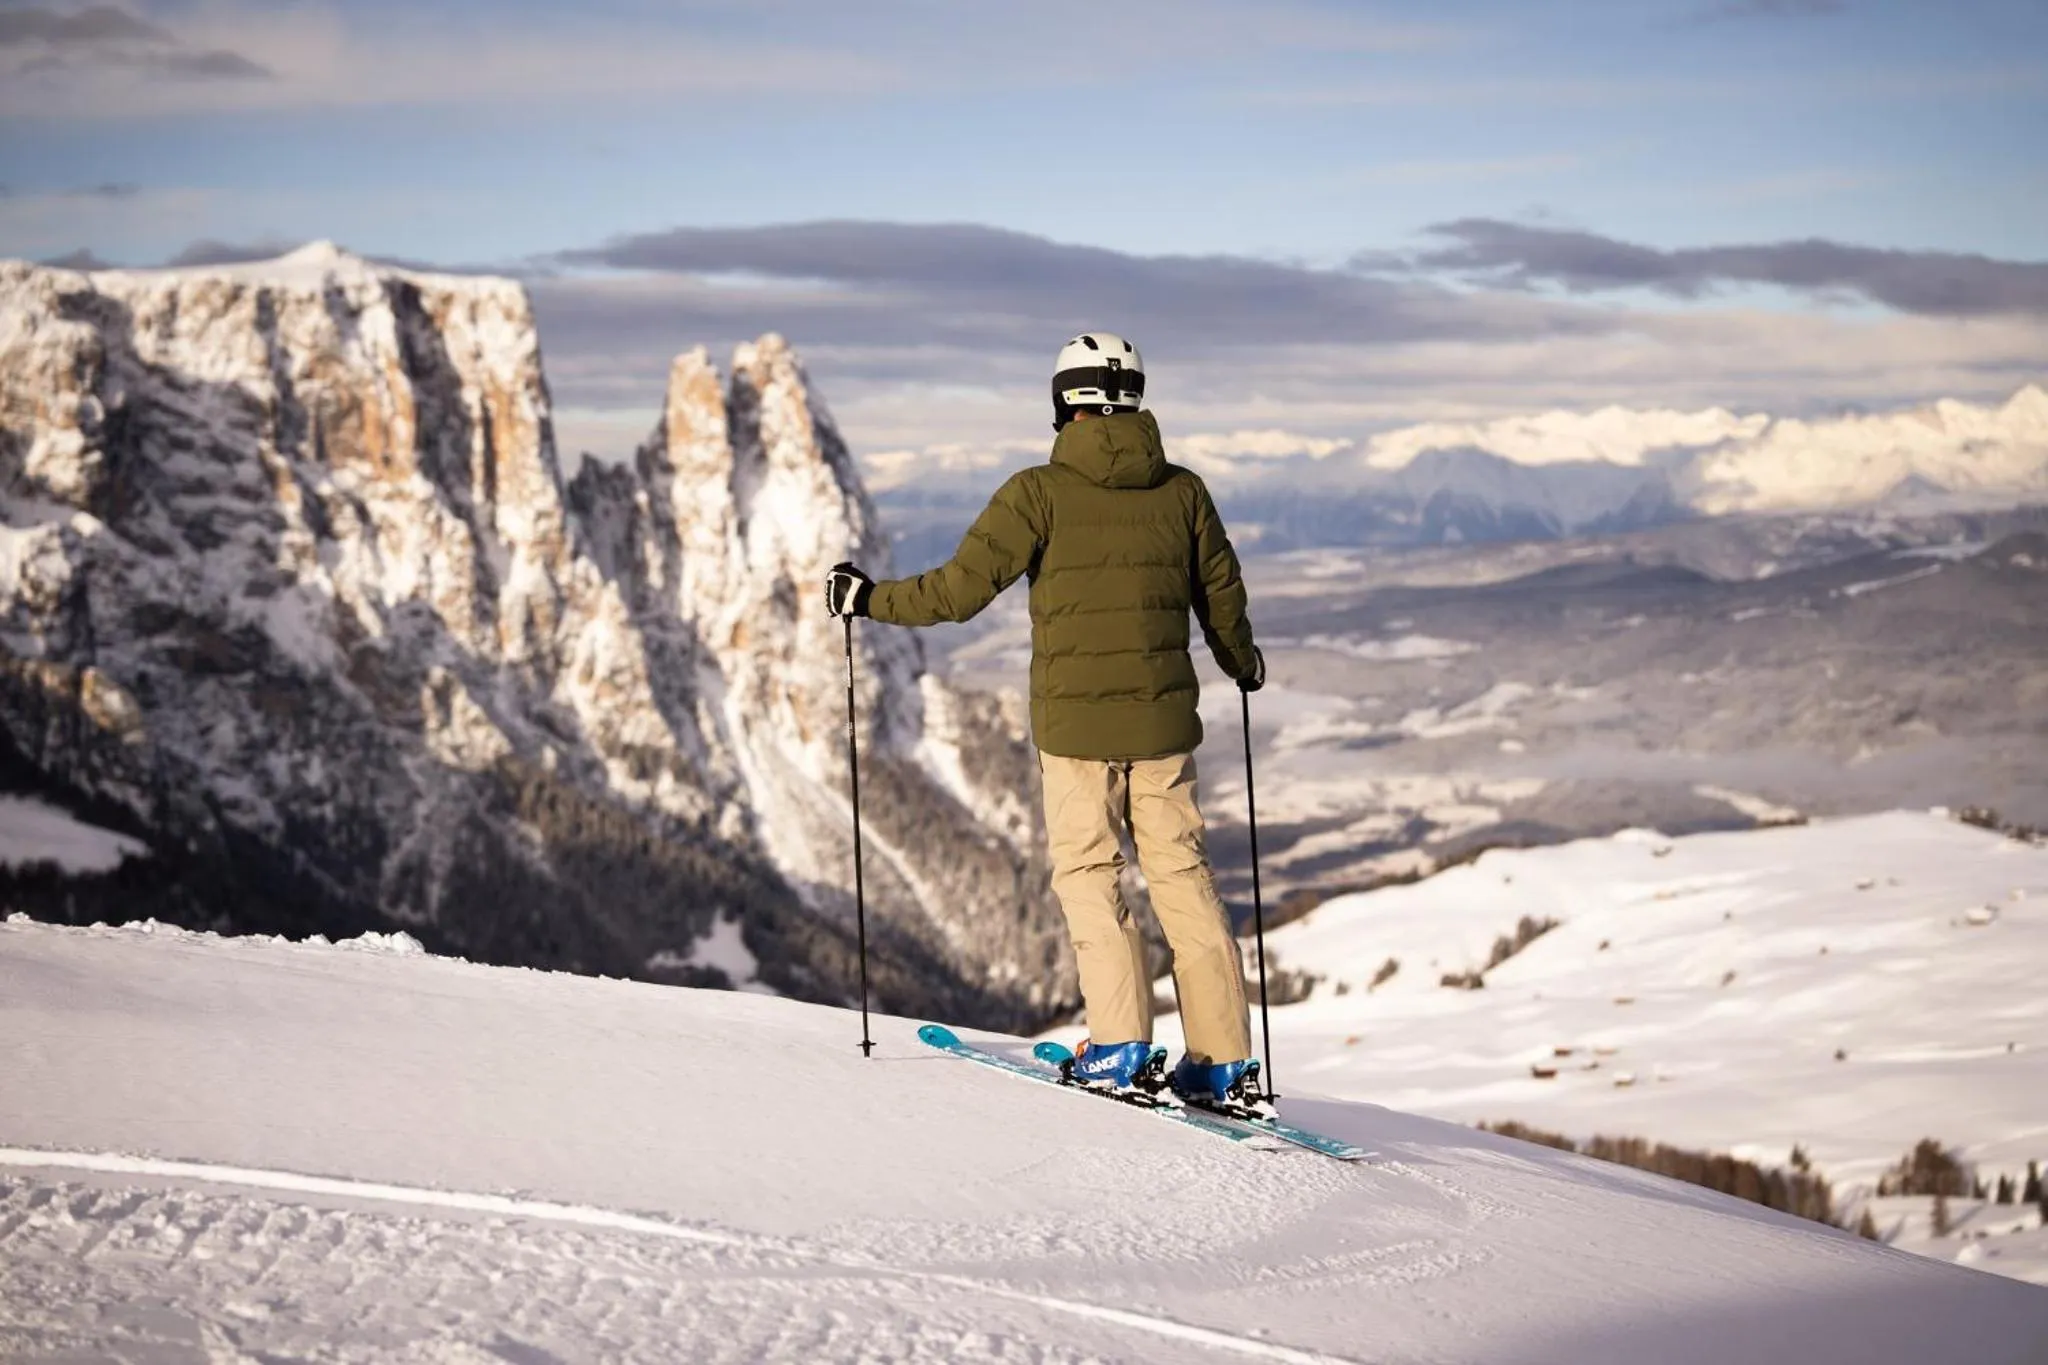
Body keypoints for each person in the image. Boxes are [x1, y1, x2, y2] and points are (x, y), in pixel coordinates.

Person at [825, 332, 1266, 1104]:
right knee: (1183, 878)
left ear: (1066, 403)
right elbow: (1221, 597)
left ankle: (1122, 1043)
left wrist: (866, 598)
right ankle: (1221, 1056)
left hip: (1076, 737)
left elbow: (955, 595)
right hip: (1165, 733)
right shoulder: (1184, 491)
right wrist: (1242, 664)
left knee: (1092, 874)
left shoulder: (1037, 492)